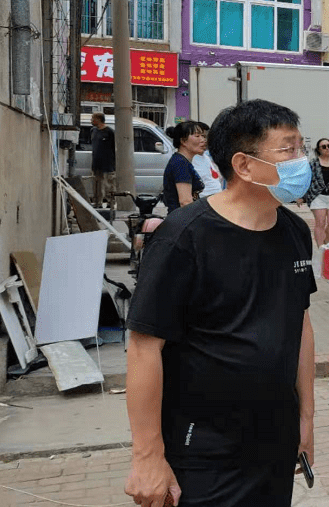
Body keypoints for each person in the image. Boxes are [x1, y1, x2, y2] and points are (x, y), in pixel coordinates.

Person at [123, 99, 317, 507]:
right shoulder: (184, 237)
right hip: (204, 449)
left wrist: (305, 420)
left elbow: (299, 324)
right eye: (288, 150)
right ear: (243, 165)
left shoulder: (294, 232)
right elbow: (144, 347)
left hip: (274, 440)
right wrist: (148, 456)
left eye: (302, 147)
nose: (302, 161)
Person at [162, 121, 206, 213]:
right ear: (183, 141)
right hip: (181, 221)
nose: (203, 140)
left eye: (203, 136)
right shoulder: (180, 163)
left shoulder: (181, 161)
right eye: (197, 136)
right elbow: (185, 202)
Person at [190, 121, 224, 198]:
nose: (204, 140)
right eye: (199, 136)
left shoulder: (206, 156)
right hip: (203, 202)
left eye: (205, 136)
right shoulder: (189, 160)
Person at [89, 113, 116, 207]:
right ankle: (97, 203)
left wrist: (114, 163)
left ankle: (110, 203)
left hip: (108, 164)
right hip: (96, 164)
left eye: (93, 118)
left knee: (109, 185)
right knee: (96, 186)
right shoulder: (93, 131)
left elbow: (114, 148)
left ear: (99, 119)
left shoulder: (109, 132)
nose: (91, 120)